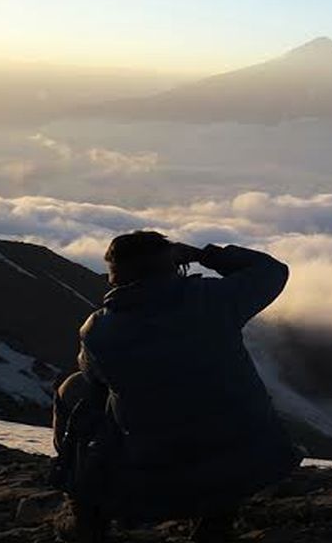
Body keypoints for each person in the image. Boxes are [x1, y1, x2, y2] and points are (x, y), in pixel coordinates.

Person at [51, 230, 300, 543]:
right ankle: (216, 522)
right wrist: (203, 254)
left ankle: (85, 513)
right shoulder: (215, 299)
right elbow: (272, 271)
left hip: (156, 466)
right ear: (174, 266)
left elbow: (95, 379)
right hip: (250, 464)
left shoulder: (99, 332)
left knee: (75, 391)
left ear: (115, 279)